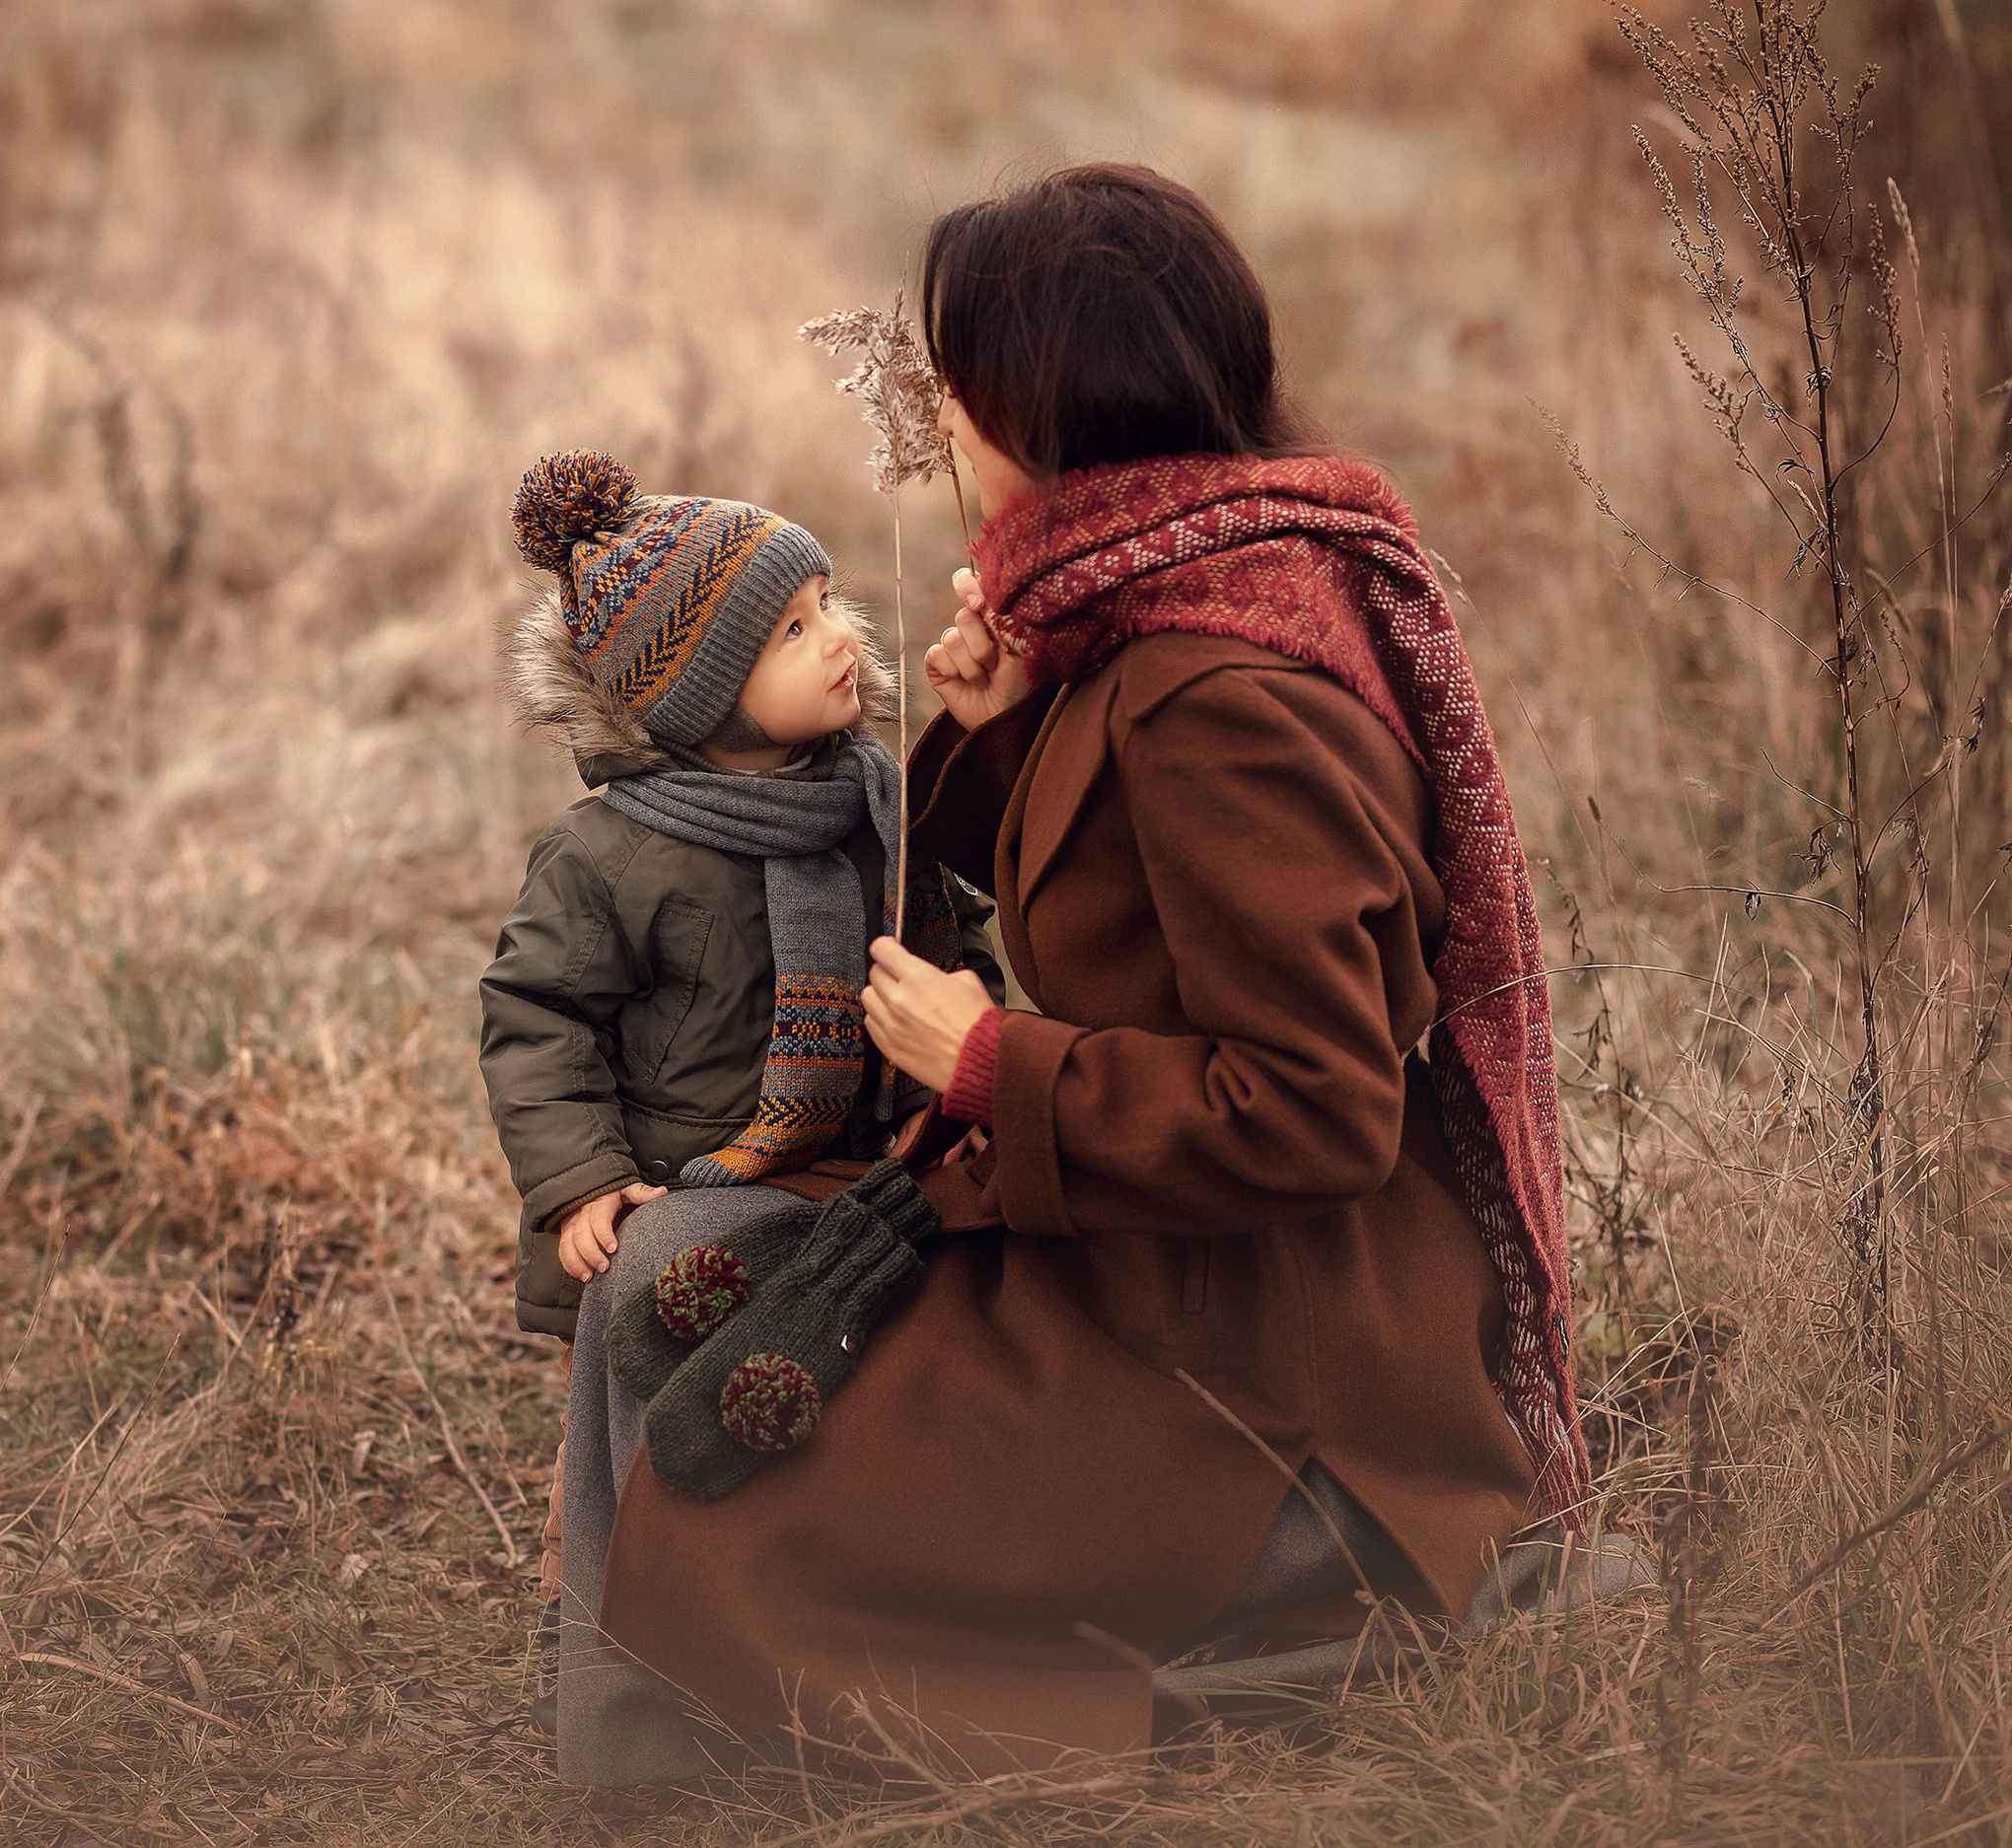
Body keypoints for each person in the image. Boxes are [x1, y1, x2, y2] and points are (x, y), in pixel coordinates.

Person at [561, 163, 1591, 1784]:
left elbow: (1314, 1106)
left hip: (1260, 1368)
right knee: (674, 1269)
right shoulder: (1186, 590)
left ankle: (701, 1732)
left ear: (1035, 404)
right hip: (1149, 1250)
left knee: (734, 1475)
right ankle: (647, 1718)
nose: (943, 419)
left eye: (955, 379)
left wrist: (991, 1062)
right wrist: (1006, 717)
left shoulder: (1217, 693)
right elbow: (1124, 897)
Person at [477, 449, 1002, 1739]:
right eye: (790, 629)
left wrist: (975, 1041)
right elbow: (537, 1019)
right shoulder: (612, 851)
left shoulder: (873, 794)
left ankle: (814, 1641)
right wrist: (579, 1179)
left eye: (828, 604)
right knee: (632, 1433)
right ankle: (618, 1675)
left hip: (857, 1165)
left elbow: (952, 929)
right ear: (701, 692)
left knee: (802, 1407)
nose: (838, 639)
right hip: (680, 1183)